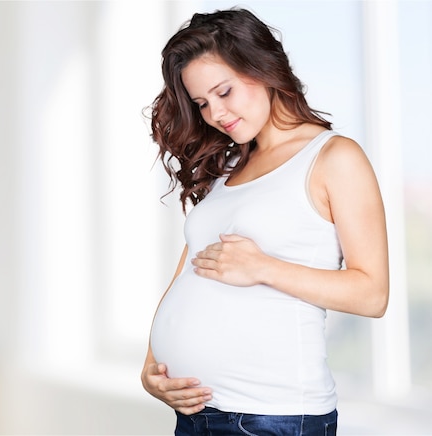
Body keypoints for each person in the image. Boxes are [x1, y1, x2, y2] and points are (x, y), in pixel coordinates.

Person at [141, 7, 389, 436]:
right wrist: (152, 365)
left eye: (224, 92)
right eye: (201, 103)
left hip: (269, 416)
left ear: (264, 68)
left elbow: (372, 294)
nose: (215, 113)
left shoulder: (333, 157)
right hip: (197, 413)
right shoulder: (230, 166)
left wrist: (264, 268)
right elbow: (192, 269)